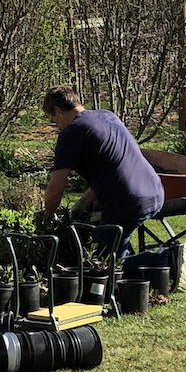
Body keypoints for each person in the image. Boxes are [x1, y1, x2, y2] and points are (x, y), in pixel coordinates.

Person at [39, 86, 163, 255]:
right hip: (153, 190)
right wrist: (81, 205)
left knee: (103, 264)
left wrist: (45, 219)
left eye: (53, 121)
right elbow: (111, 168)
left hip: (126, 201)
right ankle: (149, 268)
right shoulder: (106, 116)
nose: (57, 127)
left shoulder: (71, 132)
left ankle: (167, 258)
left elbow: (55, 189)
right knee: (114, 249)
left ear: (57, 111)